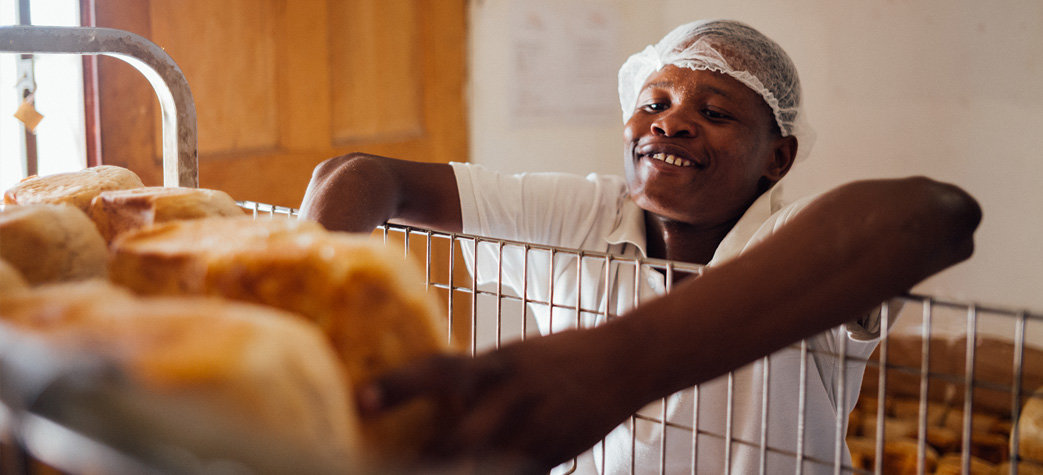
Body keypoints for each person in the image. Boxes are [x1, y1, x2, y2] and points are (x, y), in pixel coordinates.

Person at [299, 19, 981, 473]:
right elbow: (356, 176)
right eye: (654, 102)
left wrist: (609, 364)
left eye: (713, 113)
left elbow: (932, 214)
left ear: (776, 158)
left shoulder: (788, 244)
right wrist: (299, 310)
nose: (673, 122)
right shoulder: (584, 212)